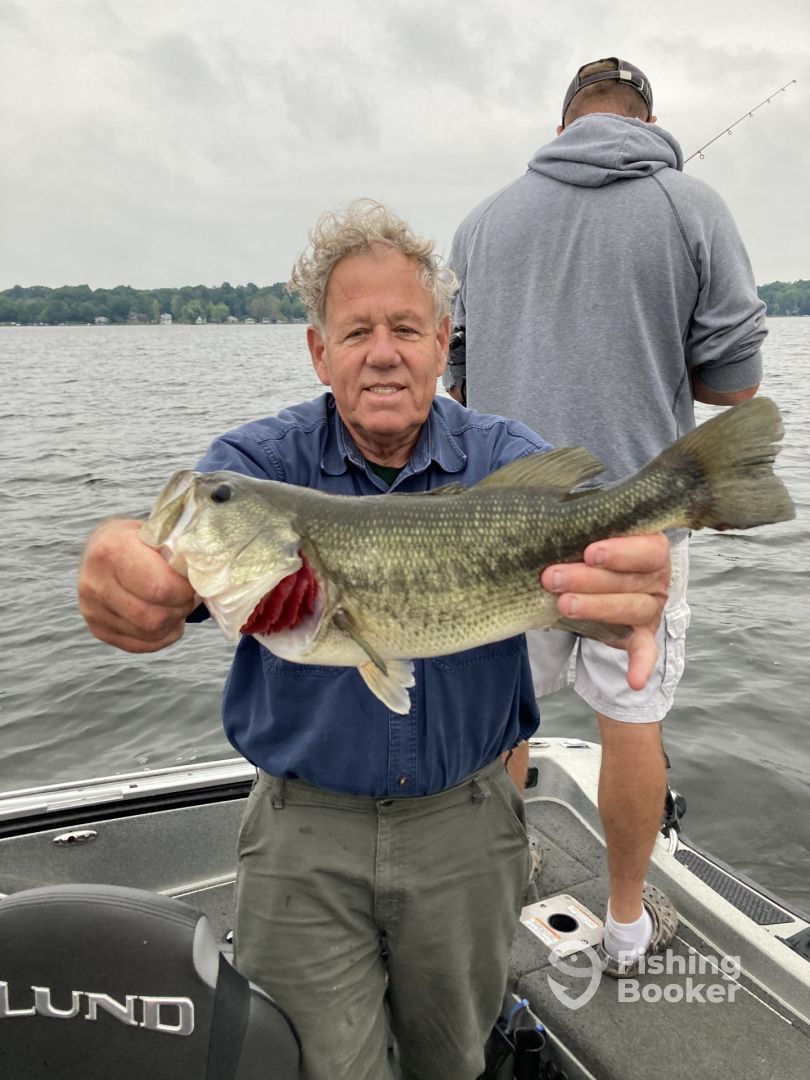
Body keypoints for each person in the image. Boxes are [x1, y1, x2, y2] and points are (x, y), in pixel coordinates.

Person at [78, 199, 671, 1080]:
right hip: (302, 833)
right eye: (356, 331)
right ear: (319, 351)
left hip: (469, 822)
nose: (383, 352)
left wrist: (635, 584)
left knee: (457, 1057)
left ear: (442, 341)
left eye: (406, 328)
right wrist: (118, 558)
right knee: (315, 1066)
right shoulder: (258, 468)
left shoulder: (509, 462)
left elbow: (602, 578)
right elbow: (165, 566)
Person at [446, 57, 765, 974]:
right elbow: (736, 386)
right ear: (647, 123)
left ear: (562, 128)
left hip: (506, 525)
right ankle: (627, 927)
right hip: (639, 534)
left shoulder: (481, 224)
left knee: (504, 718)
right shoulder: (692, 206)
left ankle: (500, 883)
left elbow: (458, 383)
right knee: (632, 723)